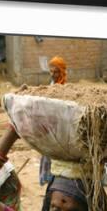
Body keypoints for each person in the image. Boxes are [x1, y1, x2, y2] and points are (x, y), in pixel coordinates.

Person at [39, 56, 69, 186]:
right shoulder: (51, 84)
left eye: (55, 72)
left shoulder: (66, 88)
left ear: (62, 71)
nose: (52, 74)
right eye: (51, 71)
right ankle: (48, 178)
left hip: (59, 125)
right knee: (47, 151)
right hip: (49, 123)